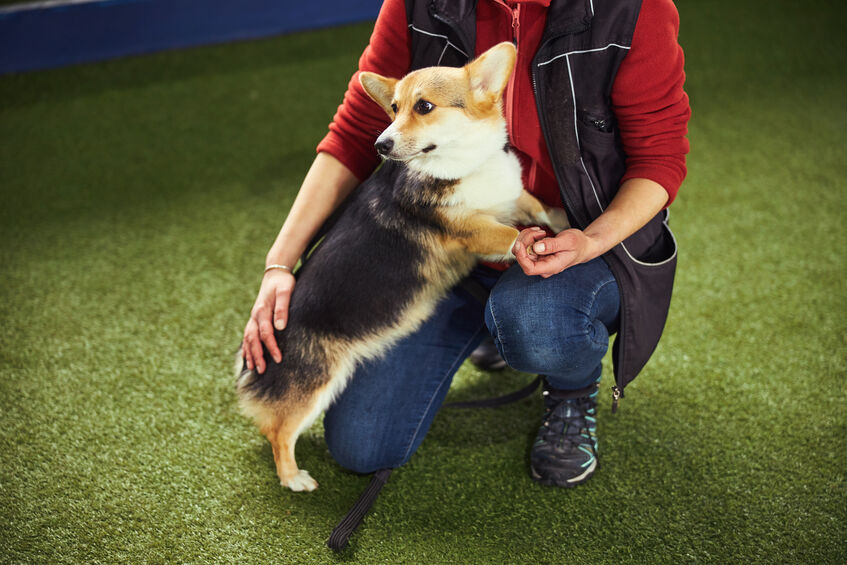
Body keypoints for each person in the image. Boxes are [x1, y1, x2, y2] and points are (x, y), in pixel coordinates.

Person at [242, 0, 690, 487]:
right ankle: (489, 327)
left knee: (536, 324)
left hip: (574, 236)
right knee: (362, 444)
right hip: (450, 256)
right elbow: (353, 131)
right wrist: (279, 265)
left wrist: (588, 241)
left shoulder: (633, 11)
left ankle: (570, 388)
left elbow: (659, 158)